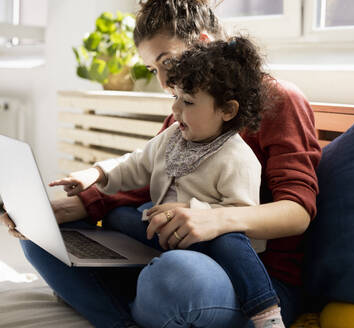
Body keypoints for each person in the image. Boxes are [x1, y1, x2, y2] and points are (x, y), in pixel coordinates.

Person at [1, 1, 321, 327]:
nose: (164, 81)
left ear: (205, 44)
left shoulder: (279, 100)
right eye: (154, 70)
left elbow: (296, 212)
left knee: (174, 275)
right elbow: (145, 173)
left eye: (166, 61)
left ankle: (106, 298)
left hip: (255, 279)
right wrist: (72, 207)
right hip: (176, 249)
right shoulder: (182, 113)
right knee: (44, 241)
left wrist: (214, 220)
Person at [49, 36, 285, 328]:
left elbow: (240, 216)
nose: (175, 110)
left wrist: (190, 210)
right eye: (176, 97)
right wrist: (95, 174)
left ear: (227, 110)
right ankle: (101, 284)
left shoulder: (237, 157)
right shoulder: (174, 137)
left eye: (187, 102)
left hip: (213, 249)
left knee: (231, 239)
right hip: (168, 236)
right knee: (118, 216)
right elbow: (136, 162)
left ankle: (265, 311)